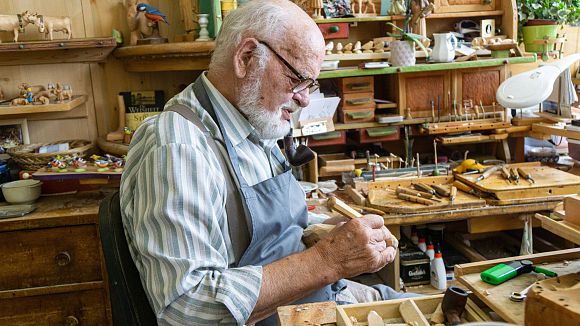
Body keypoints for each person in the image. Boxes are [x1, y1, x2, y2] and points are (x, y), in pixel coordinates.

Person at [120, 1, 411, 325]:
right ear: (246, 58)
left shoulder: (252, 122)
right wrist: (328, 260)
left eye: (310, 85)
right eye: (297, 79)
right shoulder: (177, 147)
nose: (304, 99)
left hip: (315, 300)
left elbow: (261, 238)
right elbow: (187, 308)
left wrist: (323, 237)